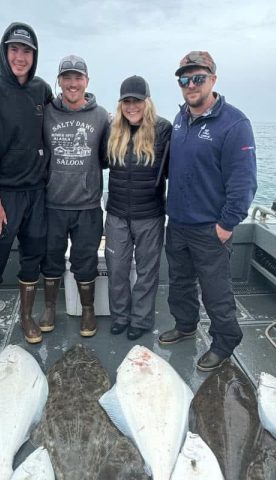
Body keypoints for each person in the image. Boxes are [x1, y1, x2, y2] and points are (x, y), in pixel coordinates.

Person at [159, 51, 257, 371]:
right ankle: (185, 325)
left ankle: (225, 341)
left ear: (213, 80)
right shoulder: (179, 119)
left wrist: (227, 225)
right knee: (181, 282)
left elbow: (243, 181)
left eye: (198, 78)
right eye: (184, 79)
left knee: (216, 291)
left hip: (210, 227)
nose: (191, 84)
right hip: (178, 222)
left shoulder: (234, 123)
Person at [0, 23, 53, 349]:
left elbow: (60, 119)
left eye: (27, 51)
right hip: (2, 195)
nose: (20, 57)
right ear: (5, 52)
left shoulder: (41, 90)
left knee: (33, 255)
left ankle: (27, 317)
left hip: (38, 193)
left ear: (34, 56)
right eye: (14, 50)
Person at [39, 55, 110, 337]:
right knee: (51, 258)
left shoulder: (102, 116)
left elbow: (107, 157)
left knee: (86, 260)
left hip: (88, 206)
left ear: (87, 81)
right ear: (58, 81)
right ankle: (48, 308)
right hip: (52, 204)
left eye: (78, 77)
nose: (72, 83)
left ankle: (88, 310)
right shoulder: (45, 113)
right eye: (66, 77)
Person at [104, 75, 172, 340]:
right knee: (117, 270)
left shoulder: (163, 129)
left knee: (147, 272)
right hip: (117, 214)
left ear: (147, 102)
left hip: (150, 215)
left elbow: (175, 170)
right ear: (121, 104)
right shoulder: (112, 130)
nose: (132, 106)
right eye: (127, 101)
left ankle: (141, 320)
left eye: (137, 101)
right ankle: (120, 316)